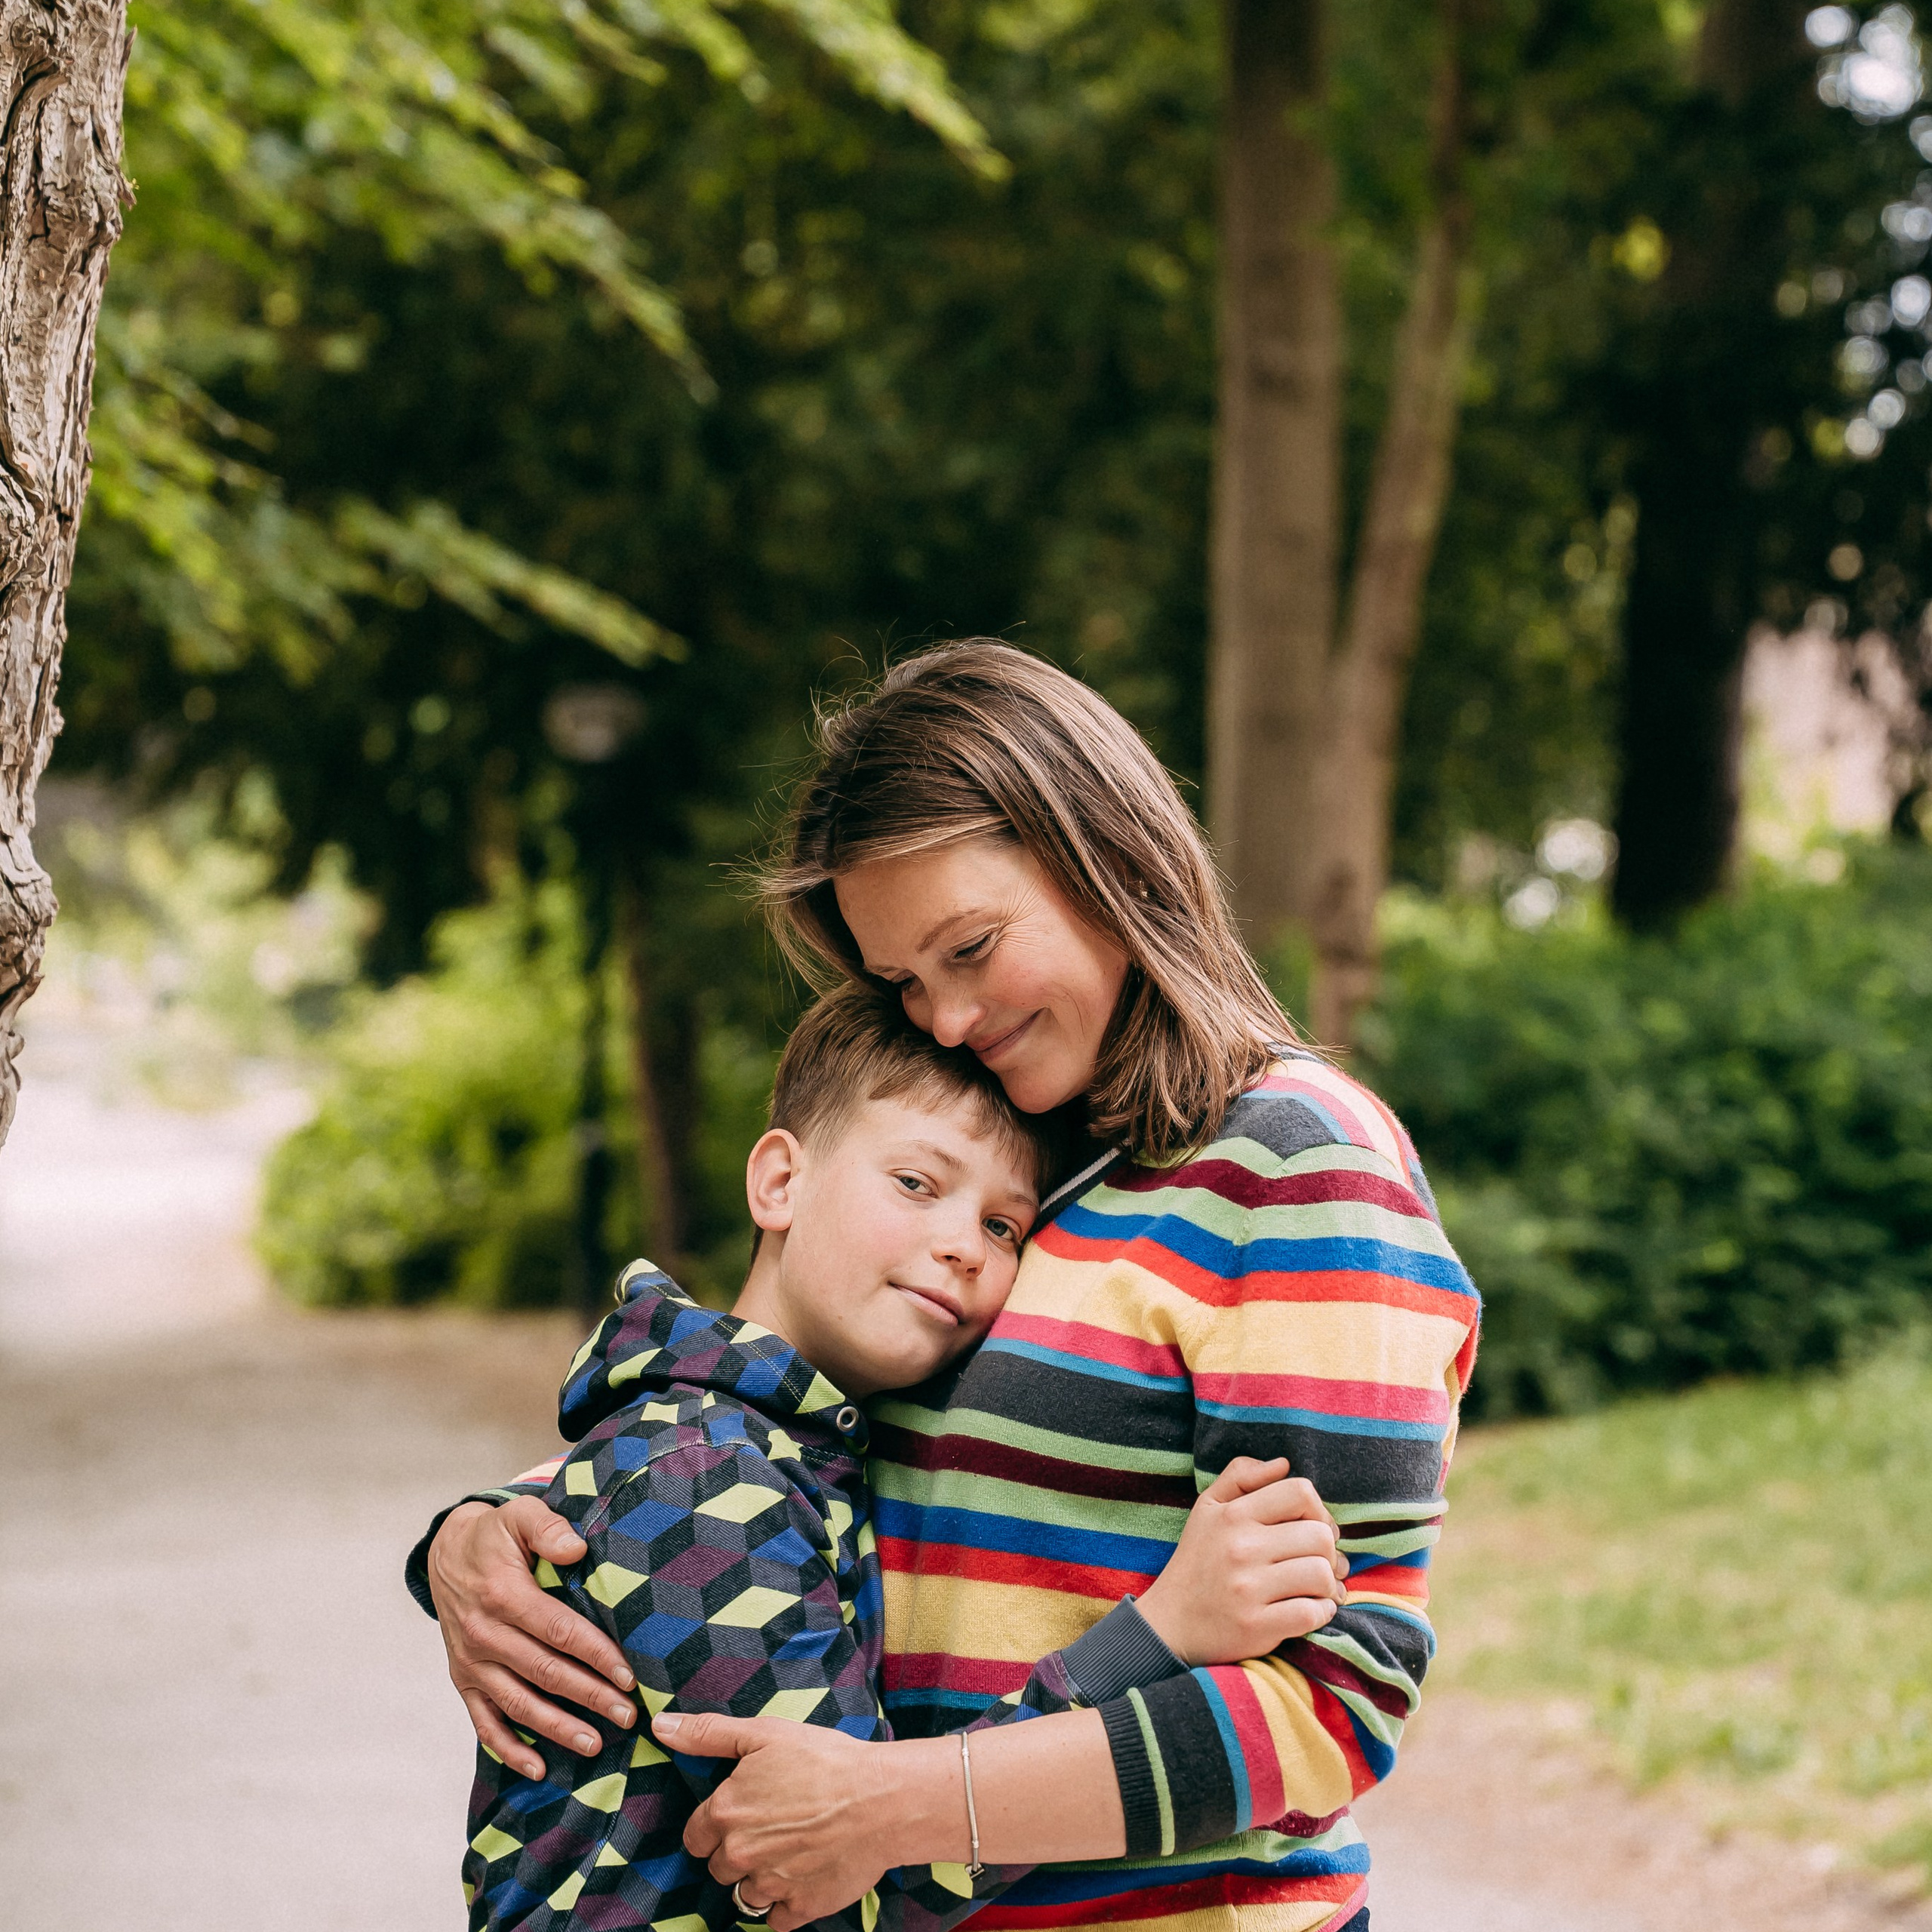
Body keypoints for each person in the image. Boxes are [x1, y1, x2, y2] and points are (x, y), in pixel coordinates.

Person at [421, 640, 1481, 1932]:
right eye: (905, 982)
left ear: (1110, 856)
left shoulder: (1292, 1163)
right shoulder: (1017, 1155)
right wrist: (486, 1539)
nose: (947, 1019)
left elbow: (1332, 1702)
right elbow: (792, 1441)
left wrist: (900, 1809)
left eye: (971, 948)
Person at [427, 980, 1350, 1930]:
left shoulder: (782, 1442)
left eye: (1003, 1225)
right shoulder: (700, 1476)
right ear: (780, 1182)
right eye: (917, 1183)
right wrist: (1160, 1631)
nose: (963, 1246)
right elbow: (857, 1873)